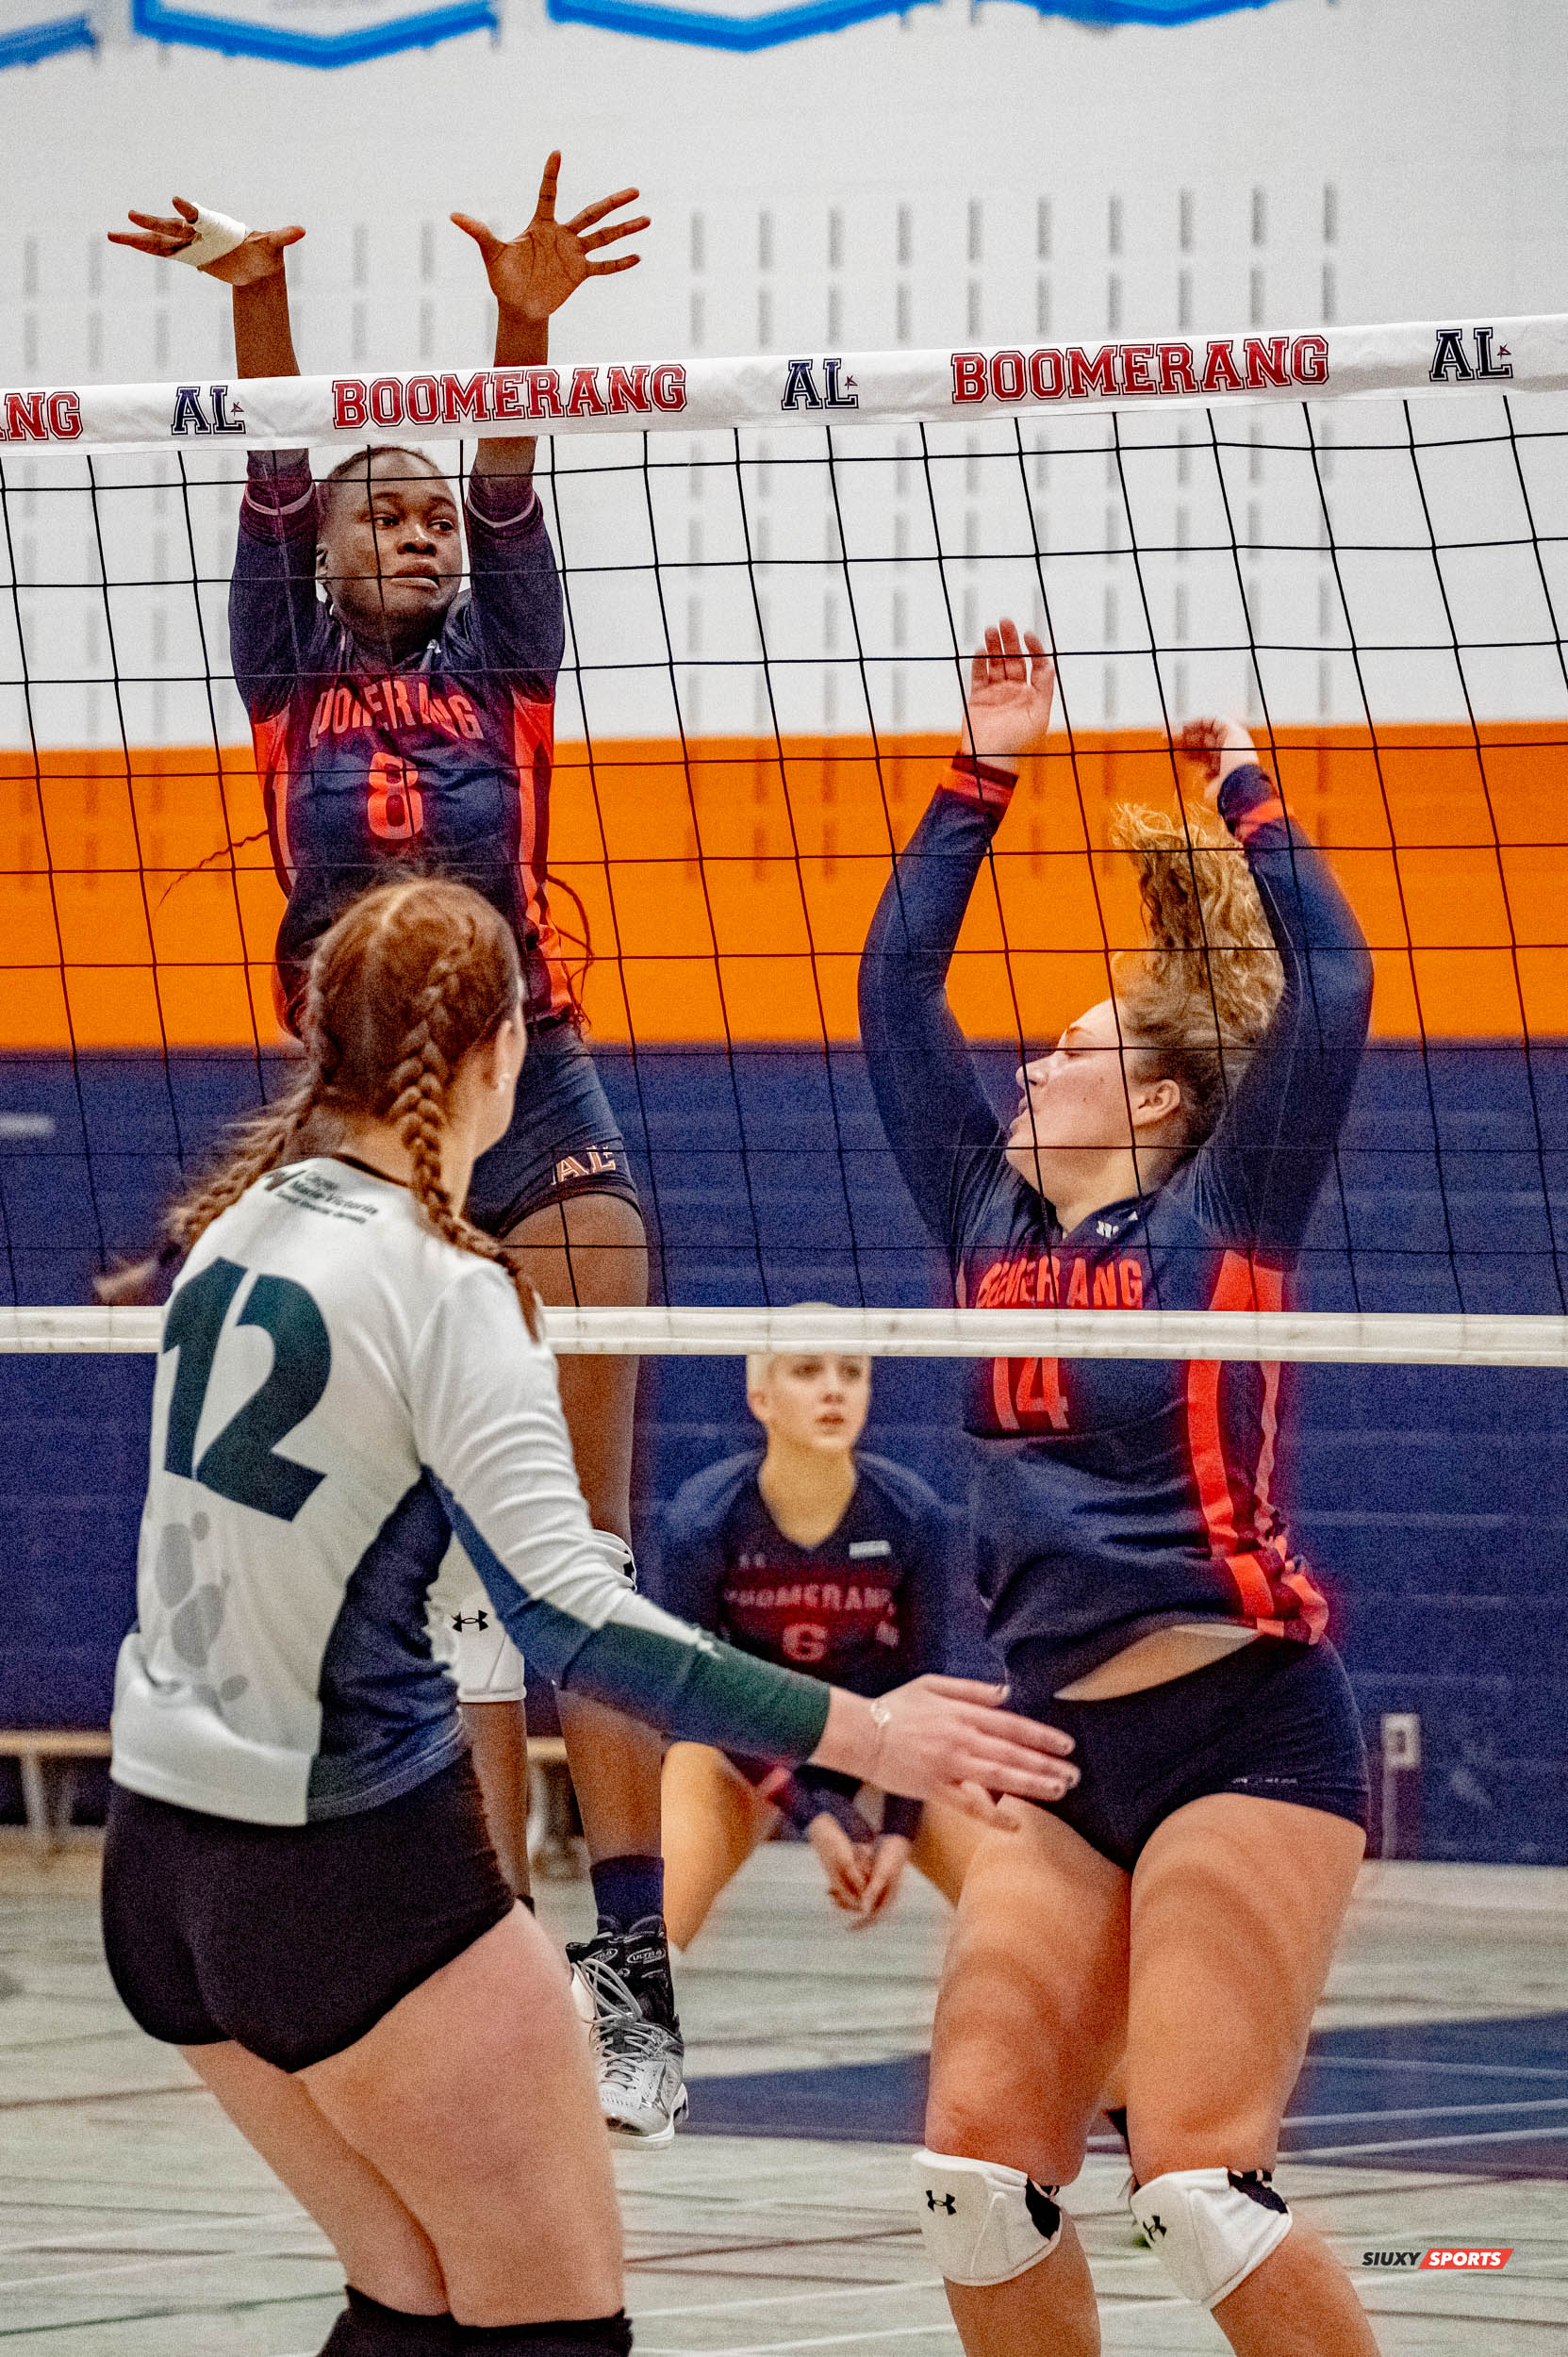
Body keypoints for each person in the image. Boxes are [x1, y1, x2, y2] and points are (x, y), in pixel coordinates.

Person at [100, 874, 1080, 2357]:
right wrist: (866, 1731)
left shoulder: (223, 1238)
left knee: (411, 2293)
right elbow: (575, 1627)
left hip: (158, 1865)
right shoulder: (448, 1286)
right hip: (343, 1873)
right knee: (552, 2322)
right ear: (503, 1054)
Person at [107, 159, 684, 2137]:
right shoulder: (285, 666)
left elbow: (517, 475)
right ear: (332, 554)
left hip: (542, 1095)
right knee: (416, 1568)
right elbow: (270, 462)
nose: (421, 522)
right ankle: (461, 1934)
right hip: (356, 1117)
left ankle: (632, 1972)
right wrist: (254, 295)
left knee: (576, 1561)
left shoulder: (502, 666)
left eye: (439, 508)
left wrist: (527, 325)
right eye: (385, 509)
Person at [858, 620, 1378, 2357]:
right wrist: (983, 765)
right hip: (1054, 1746)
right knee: (970, 2172)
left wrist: (1237, 777)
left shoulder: (1230, 1212)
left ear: (1152, 1093)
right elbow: (886, 991)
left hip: (1243, 1727)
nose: (1025, 1068)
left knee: (1195, 2190)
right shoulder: (980, 1218)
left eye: (1065, 1051)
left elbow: (1337, 978)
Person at [652, 1340, 985, 1949]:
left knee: (1009, 1906)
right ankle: (629, 2025)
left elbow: (925, 1685)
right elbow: (695, 1696)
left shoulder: (913, 1515)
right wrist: (815, 1816)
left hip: (880, 1740)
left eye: (851, 1373)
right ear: (761, 1399)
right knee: (657, 1906)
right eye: (807, 1372)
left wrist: (899, 1833)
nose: (833, 1389)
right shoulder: (704, 1517)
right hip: (748, 1745)